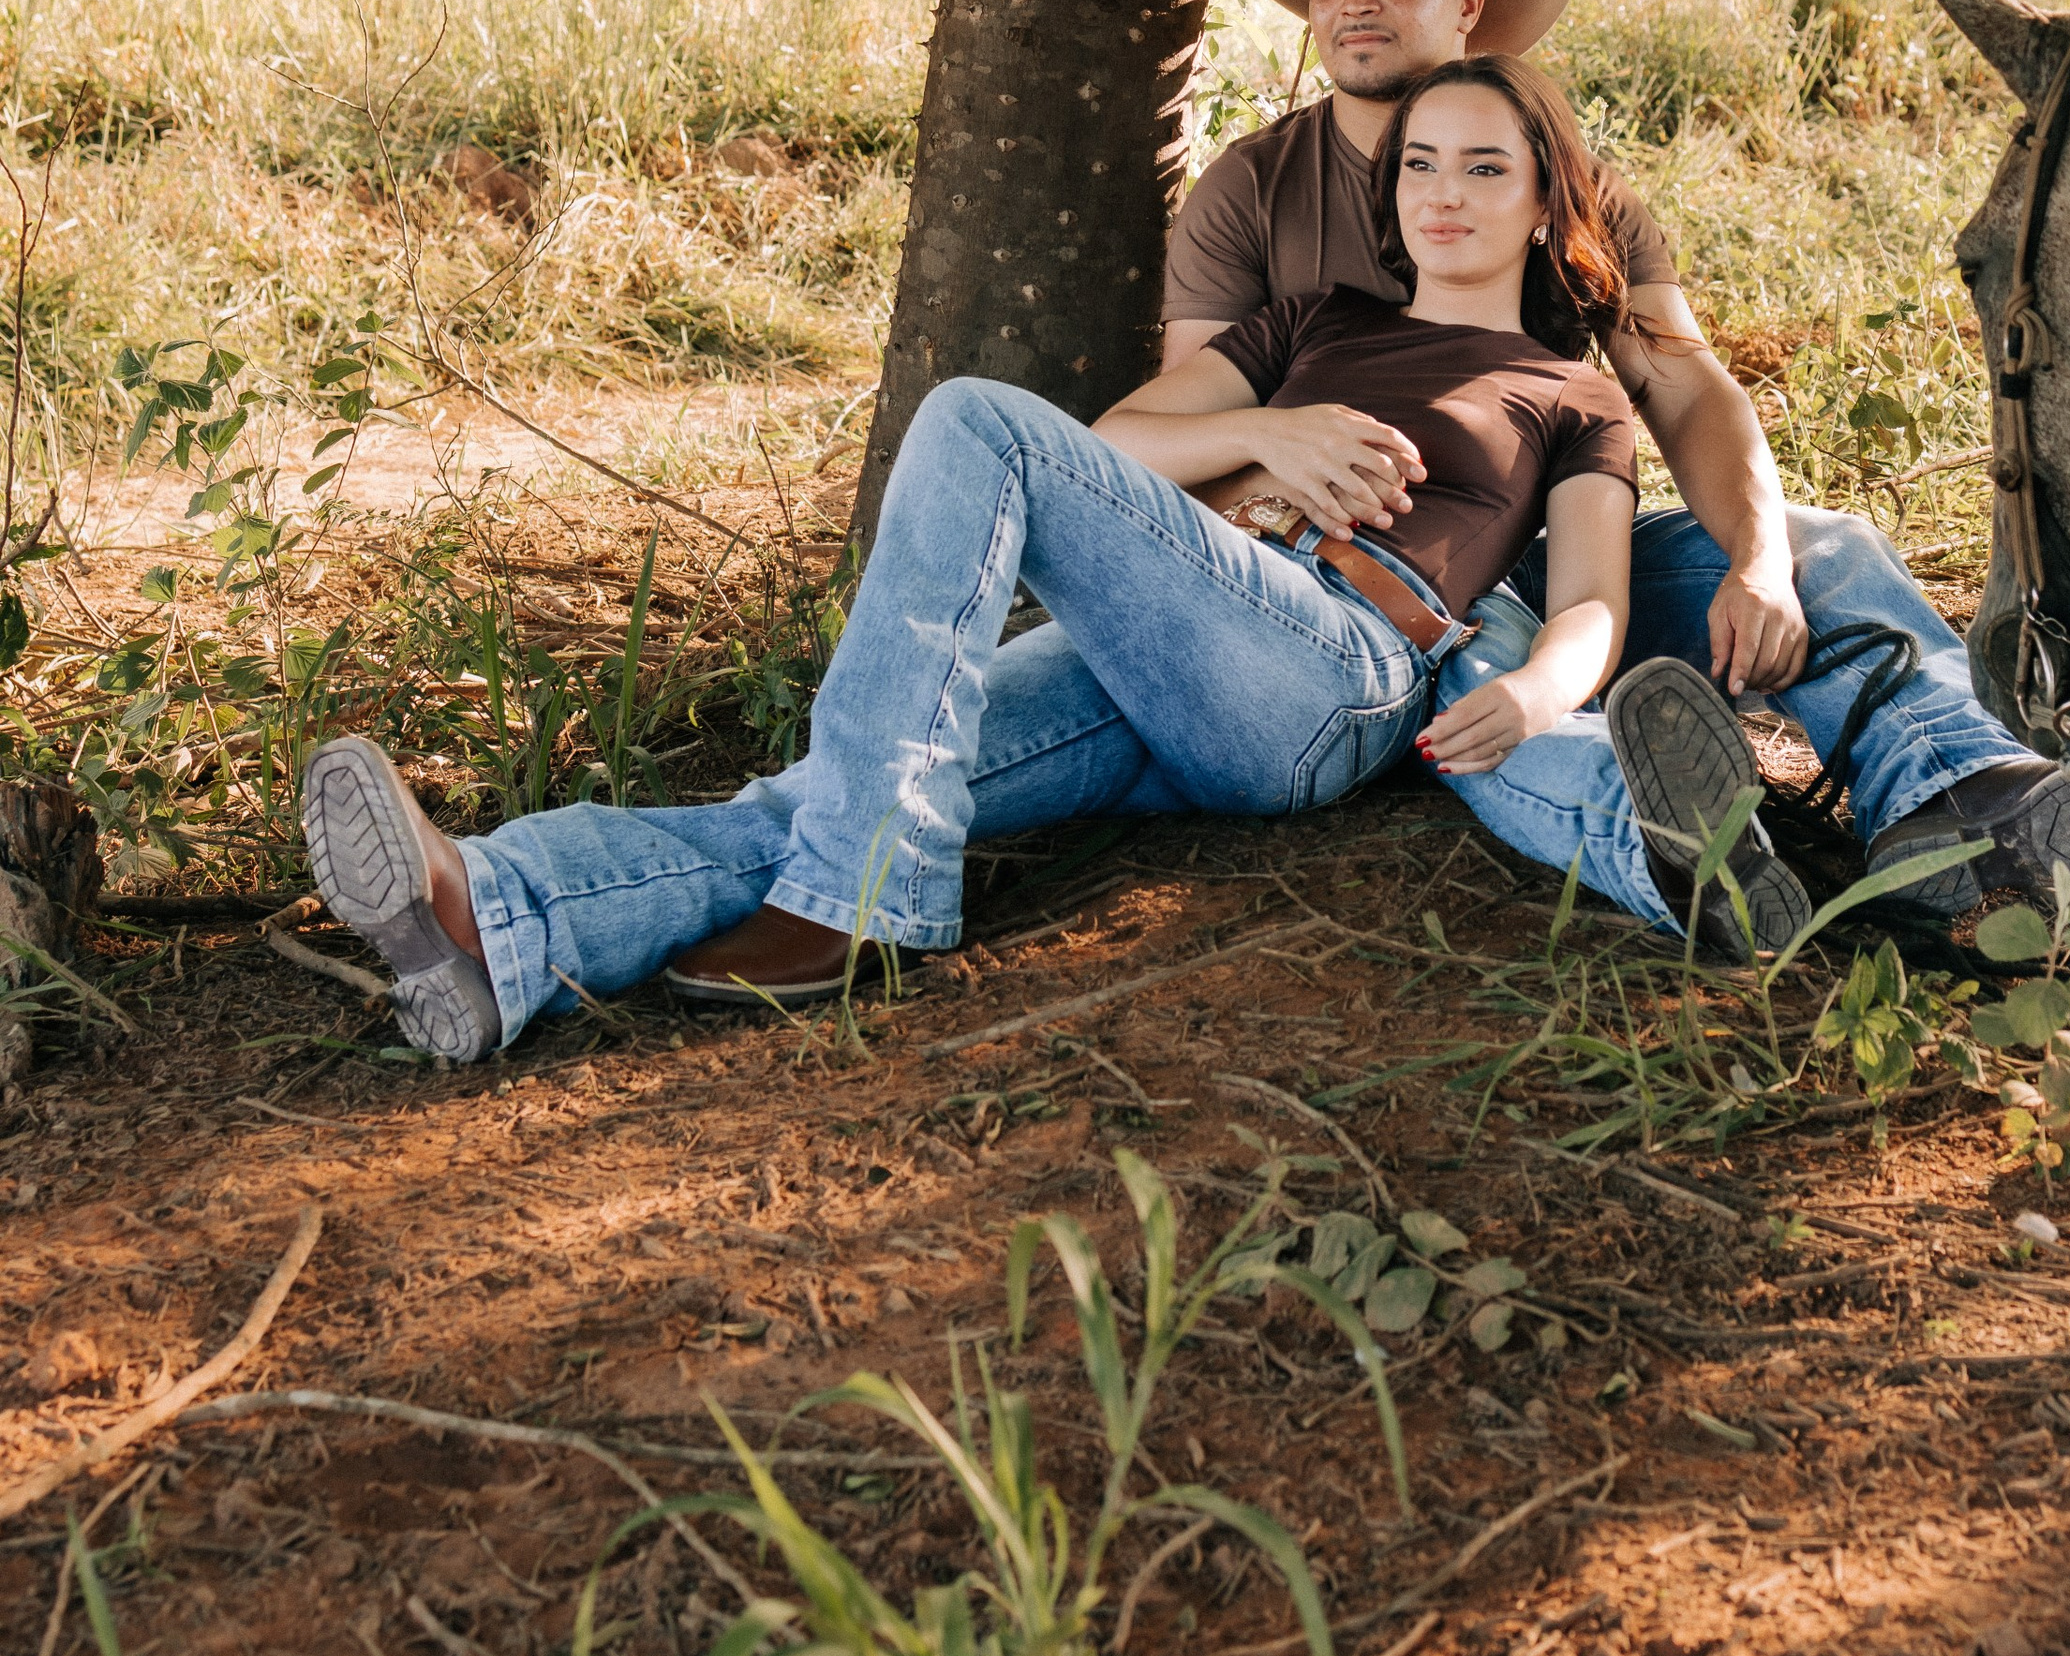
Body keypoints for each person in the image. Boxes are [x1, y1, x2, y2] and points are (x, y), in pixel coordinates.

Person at [299, 60, 1649, 1063]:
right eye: (1421, 162)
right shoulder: (1314, 321)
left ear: (1543, 201)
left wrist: (1535, 697)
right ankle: (497, 912)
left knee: (975, 421)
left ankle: (867, 904)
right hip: (1154, 650)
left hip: (1324, 671)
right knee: (857, 782)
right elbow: (1120, 445)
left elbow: (1591, 599)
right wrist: (1267, 430)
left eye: (1486, 166)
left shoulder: (1568, 392)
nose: (1447, 193)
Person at [1174, 0, 2070, 948]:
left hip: (1565, 545)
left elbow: (1684, 387)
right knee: (1510, 653)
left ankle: (1958, 797)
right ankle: (1677, 846)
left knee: (1823, 550)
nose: (1355, 1)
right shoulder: (1251, 188)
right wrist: (1295, 462)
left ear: (1469, 1)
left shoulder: (1574, 188)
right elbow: (1191, 431)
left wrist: (1759, 558)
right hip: (1368, 577)